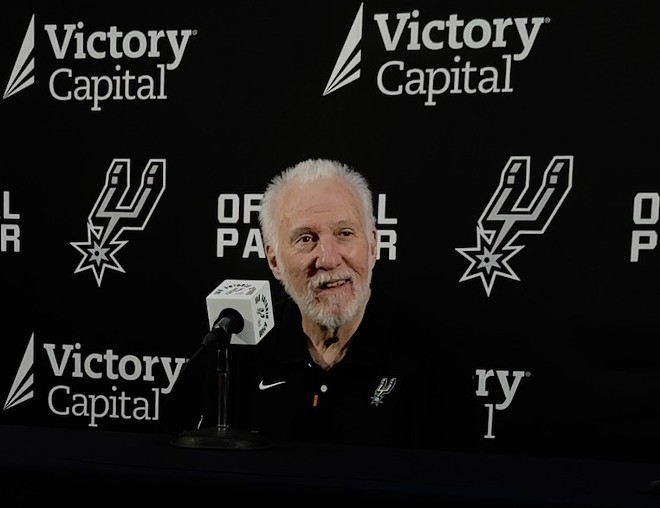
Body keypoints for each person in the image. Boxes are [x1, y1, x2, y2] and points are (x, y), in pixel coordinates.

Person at [161, 158, 479, 450]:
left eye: (344, 233)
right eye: (306, 238)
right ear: (273, 260)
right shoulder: (230, 355)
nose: (327, 259)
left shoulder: (434, 360)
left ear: (373, 245)